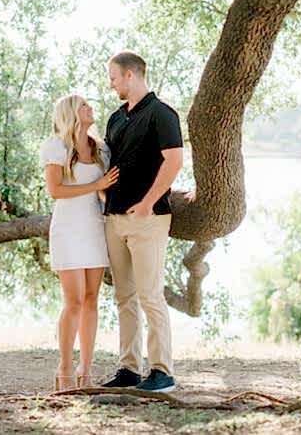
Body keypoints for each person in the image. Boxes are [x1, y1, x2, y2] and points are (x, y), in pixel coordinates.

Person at [100, 51, 183, 393]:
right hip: (114, 219)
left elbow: (175, 161)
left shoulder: (162, 114)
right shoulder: (116, 119)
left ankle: (162, 372)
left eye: (114, 77)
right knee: (125, 297)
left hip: (148, 219)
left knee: (150, 295)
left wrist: (148, 203)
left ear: (131, 75)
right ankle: (129, 369)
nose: (111, 83)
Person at [40, 94, 119, 391]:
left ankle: (86, 370)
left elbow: (103, 192)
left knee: (91, 300)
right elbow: (55, 190)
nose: (90, 108)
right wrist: (96, 185)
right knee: (73, 301)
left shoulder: (100, 149)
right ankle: (64, 368)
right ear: (72, 112)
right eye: (84, 105)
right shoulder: (56, 146)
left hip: (93, 228)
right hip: (68, 230)